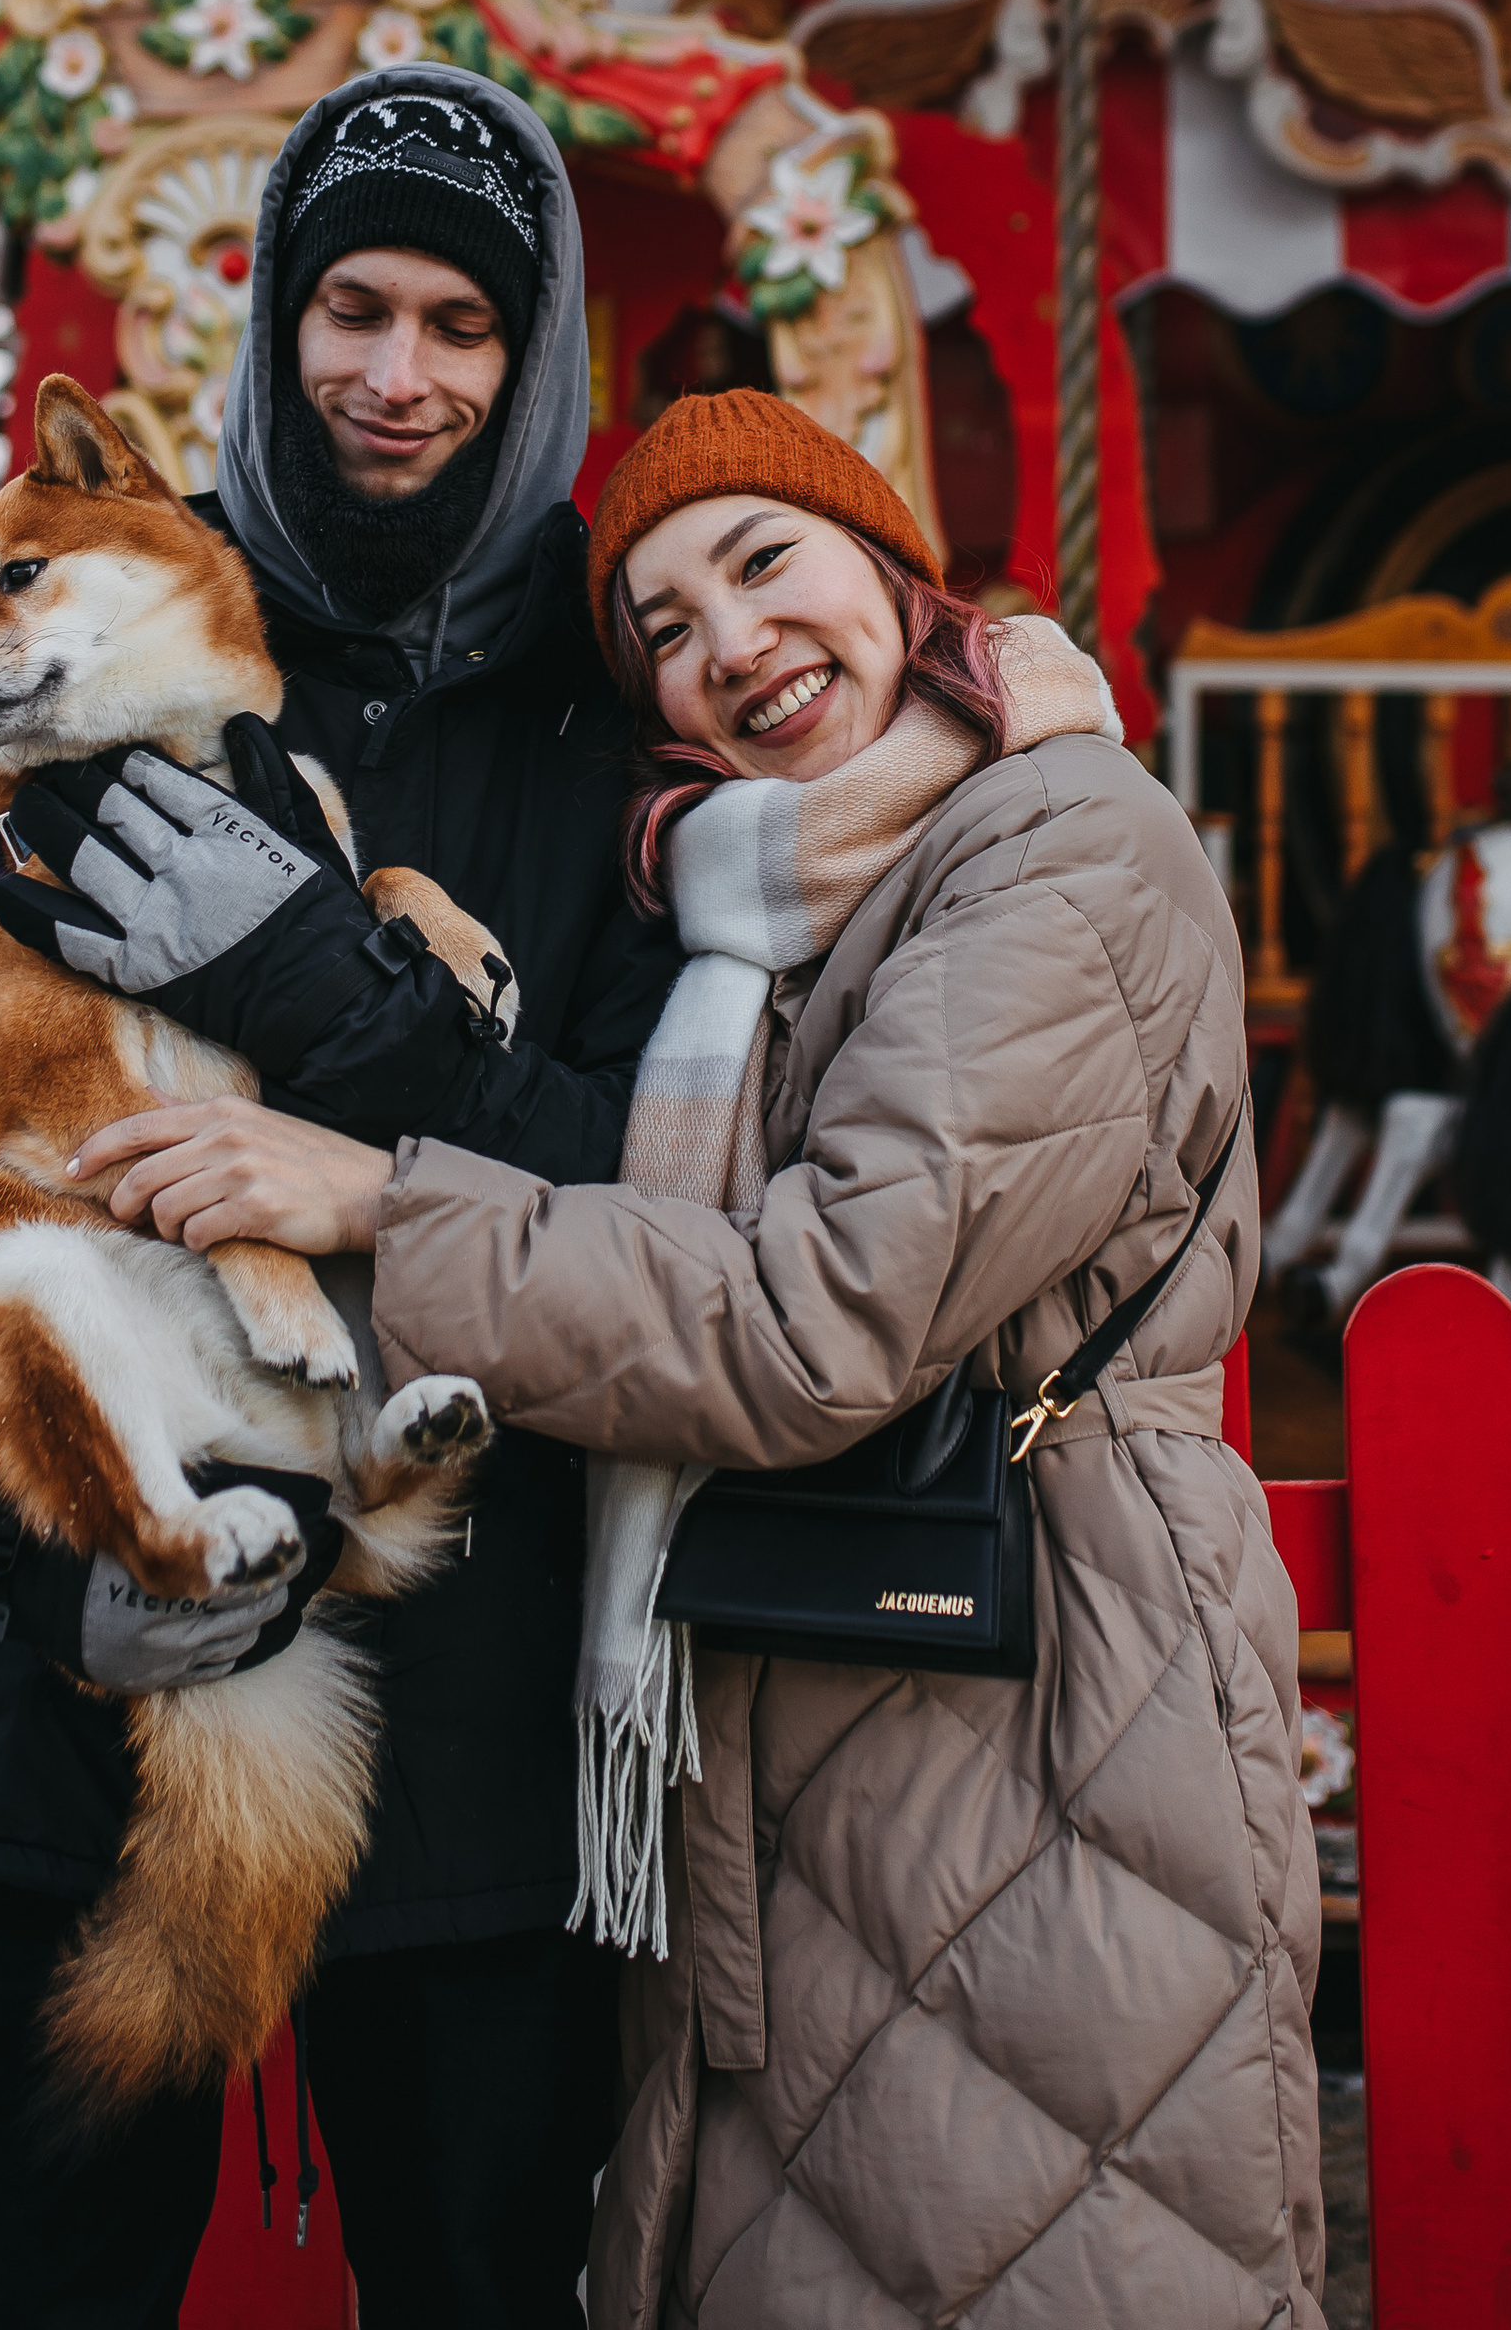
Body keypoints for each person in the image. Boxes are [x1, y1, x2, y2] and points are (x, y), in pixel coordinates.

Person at [120, 388, 1327, 2328]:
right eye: (662, 630)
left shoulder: (1058, 847)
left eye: (762, 562)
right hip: (830, 1678)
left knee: (1041, 2238)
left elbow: (810, 1314)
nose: (726, 647)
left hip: (1037, 1698)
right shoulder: (768, 904)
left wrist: (390, 1203)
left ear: (886, 568)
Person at [0, 68, 680, 2330]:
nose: (396, 373)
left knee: (476, 2283)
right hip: (57, 1719)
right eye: (350, 306)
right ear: (273, 321)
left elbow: (651, 1181)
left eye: (461, 324)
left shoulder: (606, 715)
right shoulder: (64, 668)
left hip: (460, 1744)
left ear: (528, 359)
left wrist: (333, 1005)